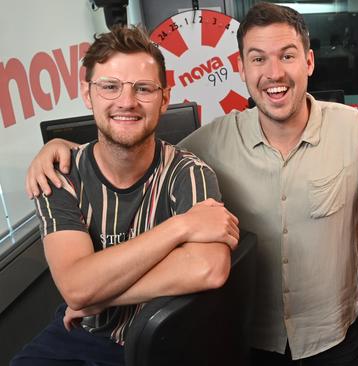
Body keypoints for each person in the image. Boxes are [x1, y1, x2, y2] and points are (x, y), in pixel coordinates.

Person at [24, 3, 358, 365]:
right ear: (242, 68)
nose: (273, 73)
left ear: (309, 62)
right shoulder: (209, 144)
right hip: (244, 342)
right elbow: (137, 149)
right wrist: (67, 149)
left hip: (333, 342)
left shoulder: (352, 130)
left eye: (287, 56)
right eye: (258, 59)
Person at [13, 25, 239, 366]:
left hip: (159, 340)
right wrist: (181, 226)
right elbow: (75, 287)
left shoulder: (189, 172)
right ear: (88, 95)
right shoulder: (58, 176)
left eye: (143, 89)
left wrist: (100, 297)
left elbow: (209, 267)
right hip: (78, 334)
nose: (127, 102)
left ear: (164, 99)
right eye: (110, 87)